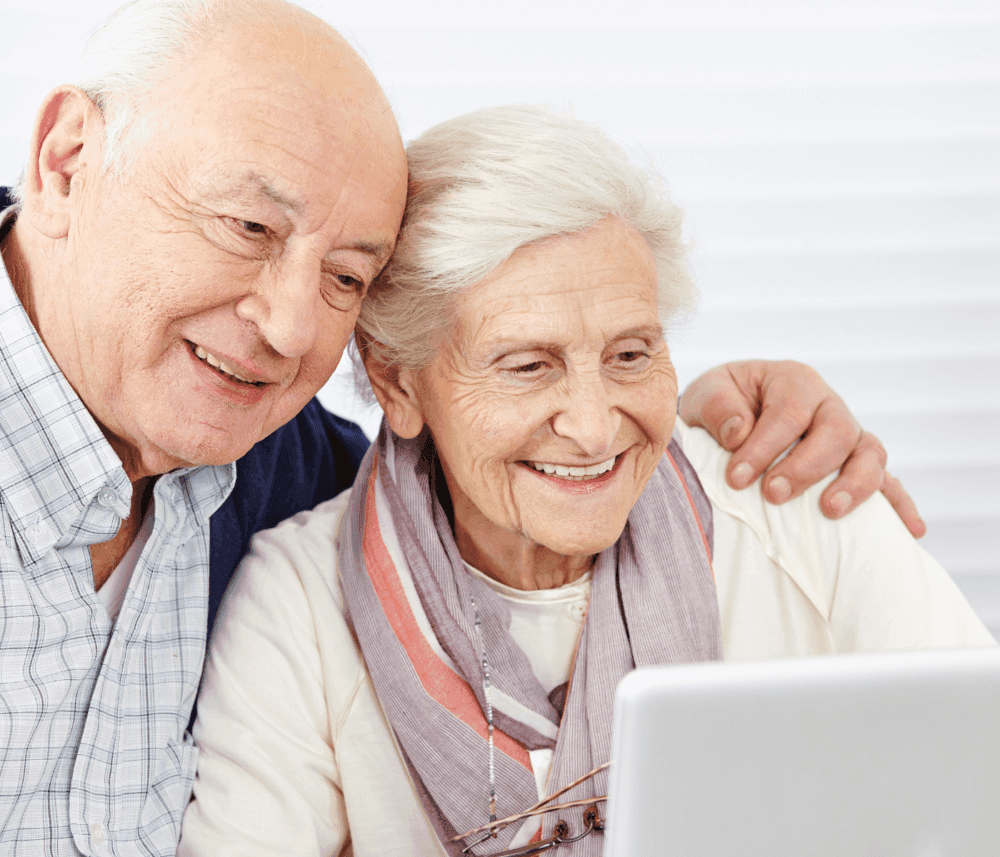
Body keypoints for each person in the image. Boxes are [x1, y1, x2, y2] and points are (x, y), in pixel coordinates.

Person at [0, 0, 922, 854]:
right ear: (66, 159)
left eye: (347, 279)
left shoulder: (265, 449)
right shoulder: (277, 536)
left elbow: (489, 458)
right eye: (247, 225)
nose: (287, 326)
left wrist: (700, 422)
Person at [178, 106, 993, 857]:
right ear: (396, 384)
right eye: (528, 367)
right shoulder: (299, 605)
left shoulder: (802, 506)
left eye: (631, 355)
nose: (596, 427)